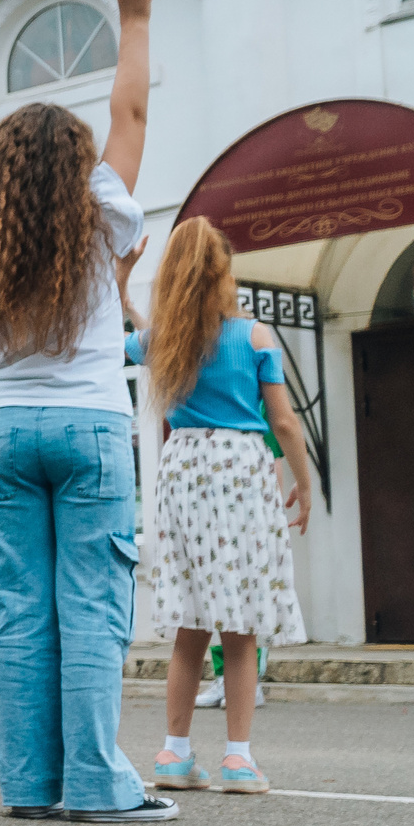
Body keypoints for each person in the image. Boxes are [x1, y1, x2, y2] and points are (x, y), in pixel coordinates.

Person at [0, 0, 175, 824]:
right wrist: (134, 17)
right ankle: (97, 784)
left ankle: (30, 784)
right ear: (76, 163)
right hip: (91, 427)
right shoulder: (102, 211)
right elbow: (131, 111)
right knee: (92, 606)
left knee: (20, 609)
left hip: (9, 426)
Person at [123, 217, 312, 796]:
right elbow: (284, 420)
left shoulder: (163, 342)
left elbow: (141, 341)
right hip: (238, 468)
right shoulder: (253, 337)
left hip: (183, 467)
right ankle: (238, 759)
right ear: (224, 271)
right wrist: (304, 483)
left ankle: (174, 754)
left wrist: (123, 289)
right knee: (242, 620)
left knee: (191, 619)